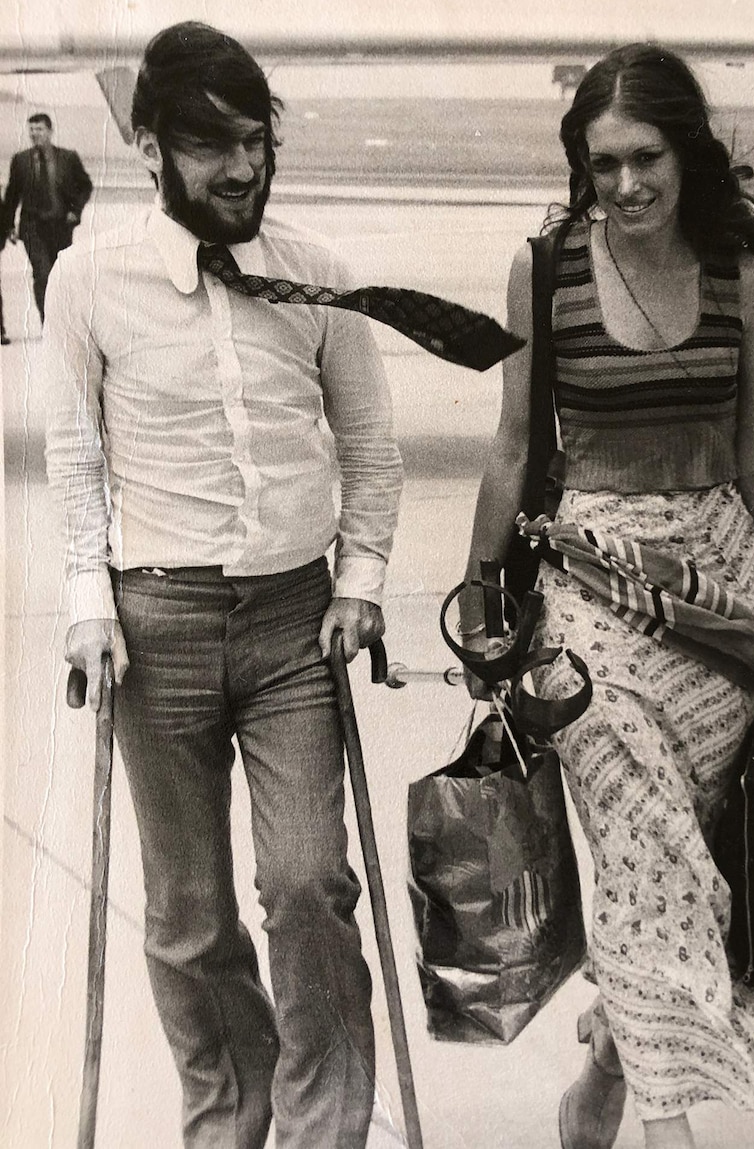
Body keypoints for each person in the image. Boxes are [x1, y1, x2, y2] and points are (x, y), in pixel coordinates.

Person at [458, 44, 754, 1149]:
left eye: (645, 159)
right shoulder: (544, 271)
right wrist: (482, 604)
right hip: (589, 592)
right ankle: (668, 1128)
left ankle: (605, 1082)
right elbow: (511, 445)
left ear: (688, 155)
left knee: (660, 865)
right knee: (645, 842)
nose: (623, 187)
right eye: (601, 165)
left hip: (715, 597)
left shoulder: (737, 277)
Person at [43, 22, 402, 1149]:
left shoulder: (322, 275)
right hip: (158, 627)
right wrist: (90, 606)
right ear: (149, 147)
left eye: (255, 142)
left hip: (298, 622)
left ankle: (322, 1131)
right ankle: (230, 1117)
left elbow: (369, 441)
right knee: (188, 920)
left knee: (307, 887)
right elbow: (76, 456)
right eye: (211, 147)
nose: (241, 168)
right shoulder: (89, 282)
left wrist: (363, 579)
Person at [0, 112, 92, 324]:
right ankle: (48, 323)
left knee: (60, 275)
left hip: (61, 226)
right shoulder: (20, 160)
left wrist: (75, 211)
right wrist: (8, 226)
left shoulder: (68, 158)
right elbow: (12, 195)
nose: (35, 134)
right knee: (42, 274)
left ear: (50, 131)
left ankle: (63, 320)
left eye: (39, 129)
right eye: (31, 129)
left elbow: (85, 185)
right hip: (32, 227)